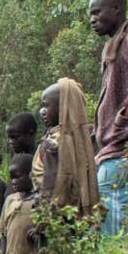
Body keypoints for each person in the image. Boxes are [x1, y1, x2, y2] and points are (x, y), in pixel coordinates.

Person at [89, 0, 128, 236]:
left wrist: (125, 118)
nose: (92, 19)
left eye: (96, 12)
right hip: (113, 146)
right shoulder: (111, 46)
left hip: (123, 146)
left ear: (116, 9)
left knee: (108, 224)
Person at [37, 79, 100, 216]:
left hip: (58, 213)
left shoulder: (56, 144)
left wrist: (44, 217)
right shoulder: (86, 138)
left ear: (64, 107)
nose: (42, 111)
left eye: (46, 106)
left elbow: (52, 183)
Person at [0, 154, 43, 254]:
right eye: (11, 178)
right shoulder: (10, 200)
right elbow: (3, 235)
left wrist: (39, 233)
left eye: (17, 176)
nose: (13, 181)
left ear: (31, 175)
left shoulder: (40, 201)